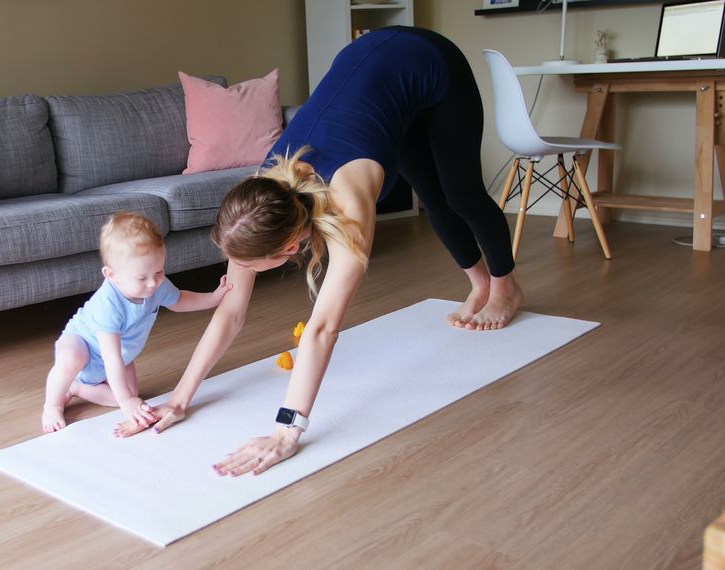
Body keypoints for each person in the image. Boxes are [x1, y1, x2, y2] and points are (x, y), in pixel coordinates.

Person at [115, 27, 525, 476]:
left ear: (290, 246)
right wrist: (179, 399)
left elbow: (323, 328)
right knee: (430, 188)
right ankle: (478, 283)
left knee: (458, 194)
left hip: (428, 62)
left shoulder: (350, 201)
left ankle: (504, 287)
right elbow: (231, 312)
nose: (241, 271)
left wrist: (285, 431)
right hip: (379, 79)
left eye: (251, 265)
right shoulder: (257, 199)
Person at [41, 212, 231, 432]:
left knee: (133, 399)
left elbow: (180, 300)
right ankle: (53, 404)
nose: (153, 283)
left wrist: (214, 297)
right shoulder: (108, 304)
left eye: (159, 271)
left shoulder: (156, 284)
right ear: (111, 275)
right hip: (86, 346)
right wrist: (126, 402)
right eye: (142, 278)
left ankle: (76, 388)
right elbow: (111, 357)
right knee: (73, 359)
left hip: (121, 355)